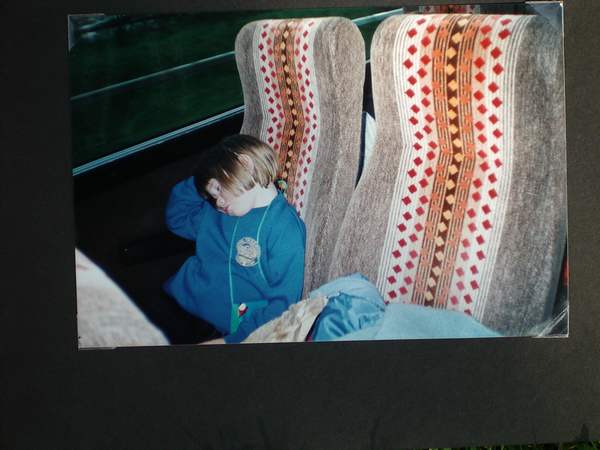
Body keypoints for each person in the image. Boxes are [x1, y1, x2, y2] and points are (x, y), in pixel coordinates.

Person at [163, 134, 306, 344]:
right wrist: (203, 179)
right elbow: (177, 219)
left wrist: (230, 342)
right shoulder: (214, 212)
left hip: (229, 330)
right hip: (179, 304)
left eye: (218, 190)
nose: (218, 202)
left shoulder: (284, 228)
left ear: (245, 165)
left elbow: (283, 305)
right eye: (212, 197)